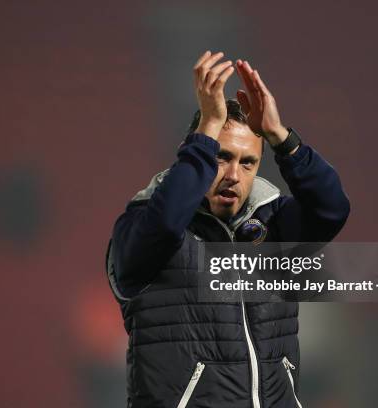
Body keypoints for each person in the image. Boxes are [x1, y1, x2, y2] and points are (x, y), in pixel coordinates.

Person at [105, 50, 350, 408]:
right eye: (221, 157)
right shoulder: (143, 227)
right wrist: (207, 127)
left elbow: (332, 209)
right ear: (195, 152)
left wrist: (281, 137)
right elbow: (166, 223)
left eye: (248, 162)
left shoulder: (273, 225)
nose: (234, 175)